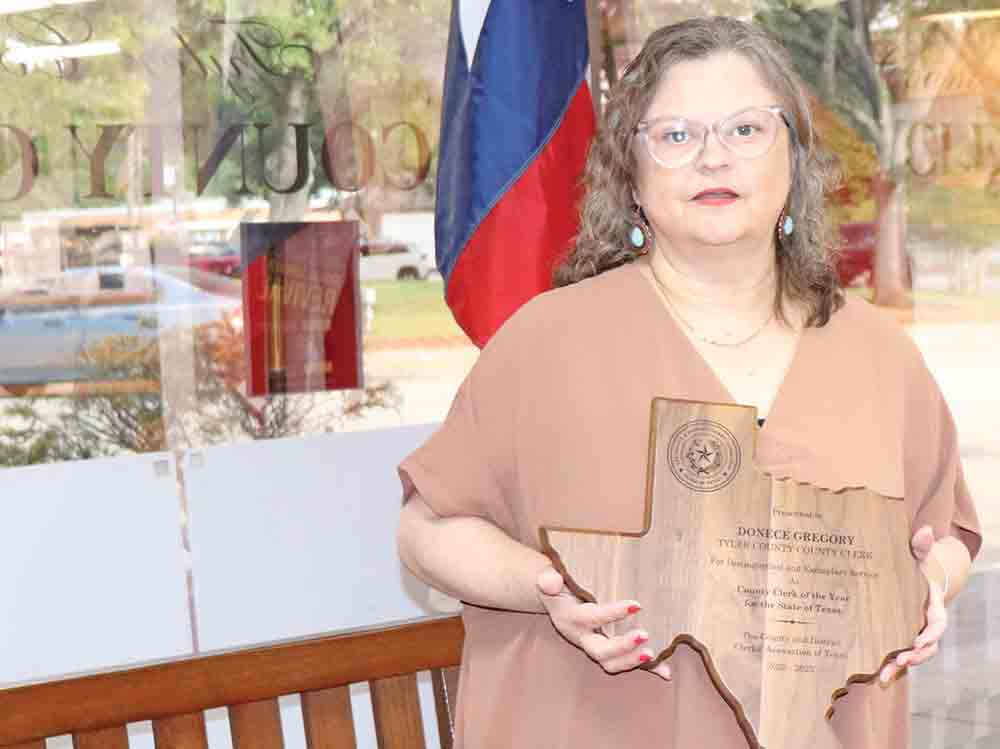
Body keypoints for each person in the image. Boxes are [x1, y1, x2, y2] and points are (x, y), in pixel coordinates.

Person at [397, 16, 982, 749]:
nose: (713, 158)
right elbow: (425, 530)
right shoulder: (546, 344)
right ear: (631, 178)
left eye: (745, 130)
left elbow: (949, 534)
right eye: (676, 136)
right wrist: (542, 588)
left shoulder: (879, 357)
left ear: (795, 161)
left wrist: (928, 584)